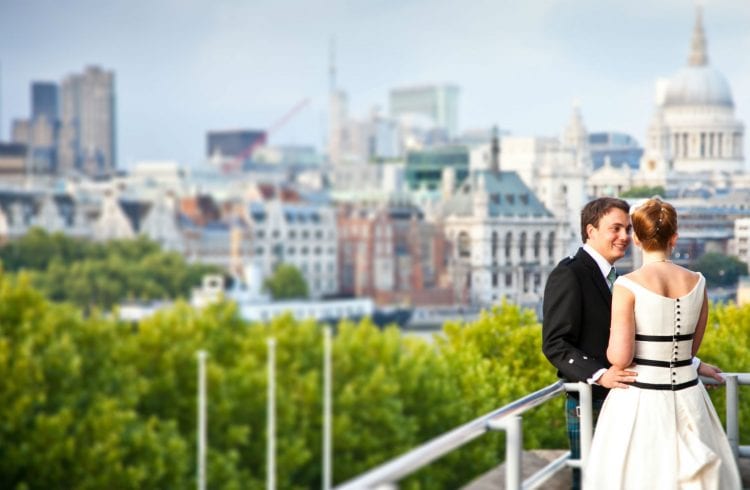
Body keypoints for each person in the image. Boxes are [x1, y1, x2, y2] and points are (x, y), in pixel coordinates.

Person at [583, 198, 741, 489]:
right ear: (674, 238)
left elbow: (620, 357)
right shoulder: (699, 281)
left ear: (638, 241)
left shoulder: (626, 284)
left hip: (640, 399)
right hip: (689, 395)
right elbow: (690, 351)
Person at [542, 197, 638, 490]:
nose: (625, 237)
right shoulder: (570, 274)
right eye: (616, 228)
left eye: (628, 229)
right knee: (589, 482)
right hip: (589, 399)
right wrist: (600, 374)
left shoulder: (615, 278)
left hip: (620, 399)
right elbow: (556, 343)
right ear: (591, 230)